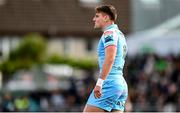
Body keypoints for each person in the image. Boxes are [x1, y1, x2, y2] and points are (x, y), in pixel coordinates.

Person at [83, 5, 128, 112]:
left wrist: (99, 83)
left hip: (109, 83)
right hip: (120, 84)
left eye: (97, 16)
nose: (94, 19)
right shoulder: (120, 34)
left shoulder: (109, 33)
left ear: (106, 18)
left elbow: (110, 58)